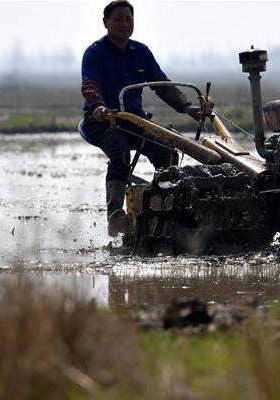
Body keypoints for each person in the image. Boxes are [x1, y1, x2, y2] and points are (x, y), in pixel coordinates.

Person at [80, 0, 201, 237]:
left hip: (134, 120)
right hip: (103, 121)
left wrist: (187, 107)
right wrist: (98, 107)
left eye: (129, 19)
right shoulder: (95, 53)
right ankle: (115, 216)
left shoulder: (141, 52)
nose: (124, 24)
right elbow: (90, 85)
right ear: (106, 23)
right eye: (118, 19)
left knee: (166, 151)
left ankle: (164, 209)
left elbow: (161, 84)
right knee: (120, 152)